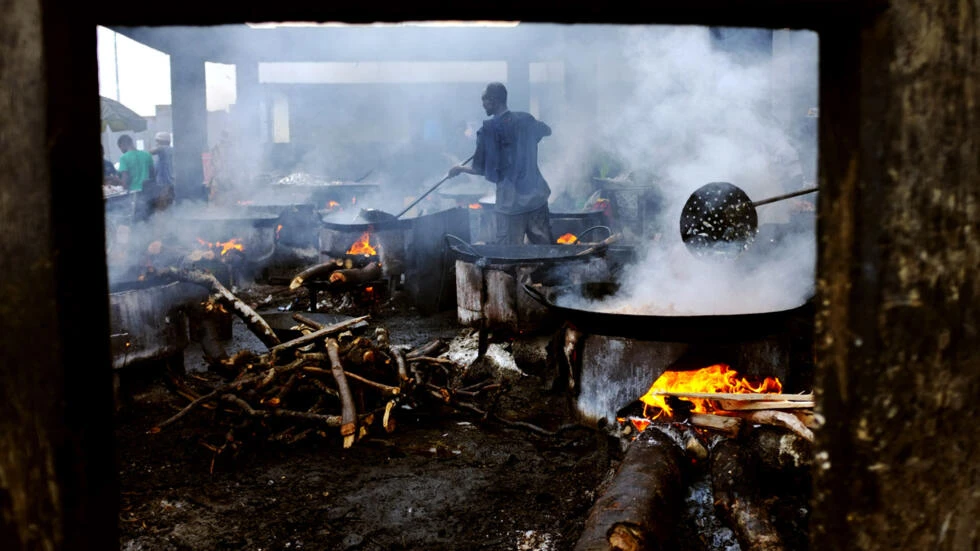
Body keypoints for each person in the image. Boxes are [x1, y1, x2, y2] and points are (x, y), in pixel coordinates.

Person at [448, 82, 554, 245]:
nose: (483, 104)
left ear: (495, 100)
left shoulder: (488, 131)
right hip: (536, 197)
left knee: (509, 254)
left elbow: (479, 169)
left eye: (485, 100)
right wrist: (528, 138)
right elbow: (547, 131)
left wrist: (459, 168)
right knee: (546, 250)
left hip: (510, 204)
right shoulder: (525, 120)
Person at [116, 134, 155, 221]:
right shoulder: (147, 155)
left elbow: (125, 179)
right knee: (150, 219)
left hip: (135, 195)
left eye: (120, 147)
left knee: (137, 221)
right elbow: (153, 175)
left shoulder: (124, 157)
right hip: (149, 192)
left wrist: (123, 188)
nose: (121, 150)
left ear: (123, 144)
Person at [149, 131, 175, 213]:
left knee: (162, 210)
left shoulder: (165, 148)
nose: (156, 143)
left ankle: (165, 224)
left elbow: (151, 151)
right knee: (166, 210)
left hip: (164, 186)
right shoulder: (168, 152)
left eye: (157, 141)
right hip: (168, 185)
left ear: (163, 142)